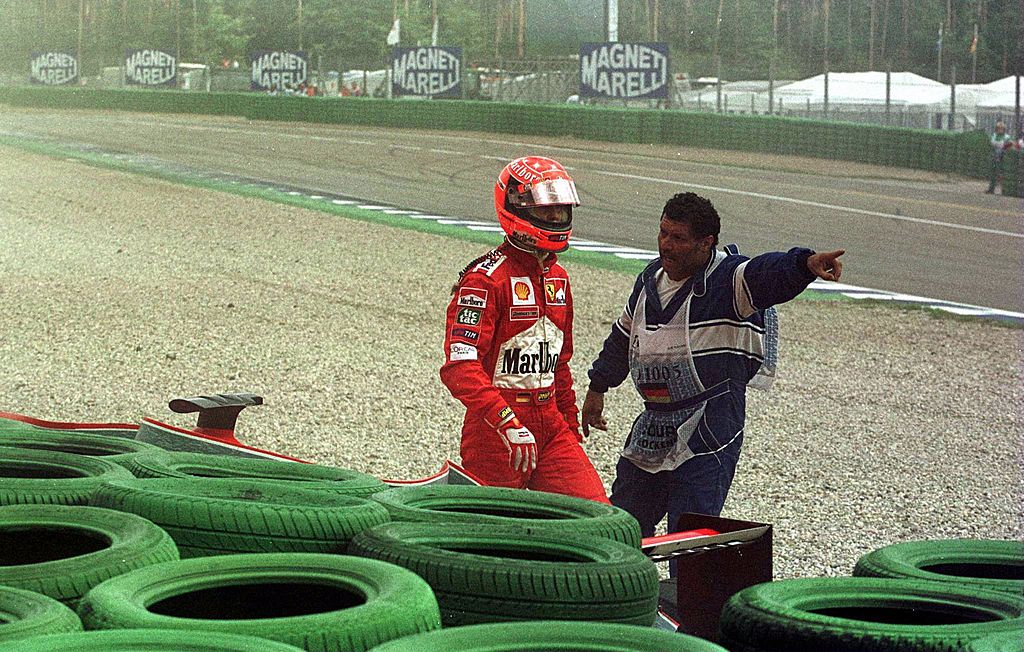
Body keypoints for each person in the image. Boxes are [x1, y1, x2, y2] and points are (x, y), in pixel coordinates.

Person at [581, 192, 845, 536]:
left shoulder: (731, 280)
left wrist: (804, 265)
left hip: (711, 424)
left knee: (689, 539)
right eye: (663, 233)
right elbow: (622, 337)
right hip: (653, 425)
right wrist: (597, 387)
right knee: (621, 531)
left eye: (678, 238)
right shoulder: (649, 281)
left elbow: (768, 273)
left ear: (707, 243)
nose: (667, 245)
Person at [440, 156, 609, 504]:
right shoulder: (483, 280)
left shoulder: (559, 279)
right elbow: (460, 367)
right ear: (514, 206)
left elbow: (560, 365)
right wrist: (505, 421)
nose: (556, 219)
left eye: (560, 210)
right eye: (546, 211)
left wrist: (571, 429)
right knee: (492, 535)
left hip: (551, 423)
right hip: (495, 429)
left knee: (595, 515)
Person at [986, 121, 1015, 194]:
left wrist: (1002, 145)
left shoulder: (1007, 137)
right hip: (994, 157)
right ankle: (991, 189)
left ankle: (1004, 190)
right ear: (996, 129)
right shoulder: (994, 135)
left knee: (1002, 174)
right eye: (999, 128)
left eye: (1002, 128)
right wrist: (1001, 145)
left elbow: (1009, 145)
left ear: (1004, 129)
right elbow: (992, 143)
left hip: (1002, 158)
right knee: (993, 173)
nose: (1000, 130)